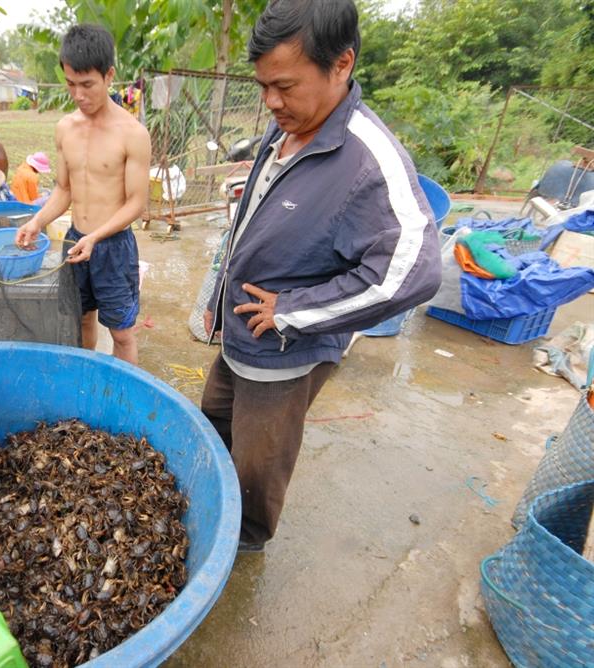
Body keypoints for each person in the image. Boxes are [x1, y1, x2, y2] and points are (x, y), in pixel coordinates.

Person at [202, 0, 442, 552]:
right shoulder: (289, 122)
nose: (270, 102)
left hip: (284, 350)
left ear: (341, 65)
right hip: (241, 333)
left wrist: (293, 311)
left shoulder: (368, 160)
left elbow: (411, 269)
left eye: (284, 86)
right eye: (263, 85)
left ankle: (241, 545)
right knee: (213, 426)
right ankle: (211, 512)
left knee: (256, 468)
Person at [15, 24, 151, 366]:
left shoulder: (132, 133)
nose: (78, 95)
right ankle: (88, 379)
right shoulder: (65, 128)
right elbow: (64, 189)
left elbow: (137, 202)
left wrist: (96, 237)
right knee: (81, 318)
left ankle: (125, 395)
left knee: (121, 332)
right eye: (71, 84)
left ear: (109, 76)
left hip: (113, 246)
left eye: (87, 84)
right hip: (75, 241)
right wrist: (37, 221)